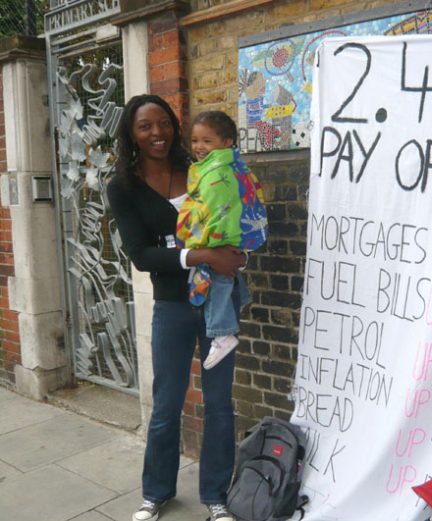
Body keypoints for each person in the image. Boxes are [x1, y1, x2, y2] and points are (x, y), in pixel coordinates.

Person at [107, 94, 248, 521]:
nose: (157, 134)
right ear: (132, 133)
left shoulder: (202, 168)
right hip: (172, 305)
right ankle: (156, 493)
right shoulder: (123, 186)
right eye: (145, 126)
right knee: (167, 404)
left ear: (174, 126)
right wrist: (203, 256)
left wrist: (239, 249)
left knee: (220, 404)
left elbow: (234, 212)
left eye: (164, 124)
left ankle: (216, 495)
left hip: (217, 303)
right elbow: (141, 255)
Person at [177, 111, 267, 371]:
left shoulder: (217, 171)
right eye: (195, 141)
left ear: (227, 141)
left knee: (217, 278)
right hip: (230, 233)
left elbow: (217, 207)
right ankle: (238, 305)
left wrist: (202, 240)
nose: (199, 147)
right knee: (224, 277)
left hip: (222, 235)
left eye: (207, 141)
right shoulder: (228, 165)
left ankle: (222, 332)